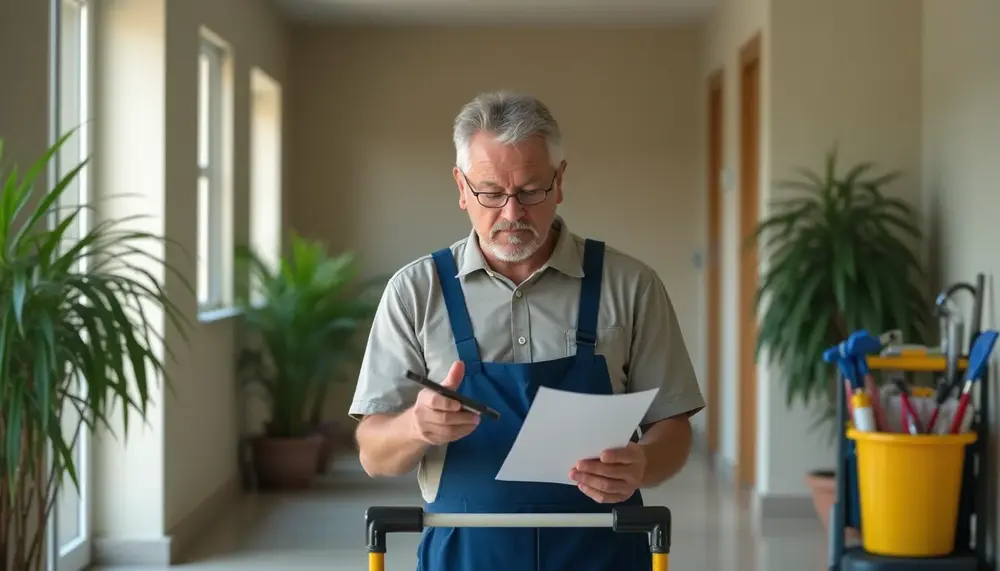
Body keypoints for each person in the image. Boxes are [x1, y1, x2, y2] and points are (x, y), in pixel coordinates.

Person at [349, 91, 705, 571]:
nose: (513, 214)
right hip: (466, 555)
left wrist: (643, 462)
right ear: (460, 186)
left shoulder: (630, 285)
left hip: (603, 551)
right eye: (491, 193)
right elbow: (374, 453)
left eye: (531, 190)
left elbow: (673, 426)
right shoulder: (415, 292)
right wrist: (416, 426)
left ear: (559, 182)